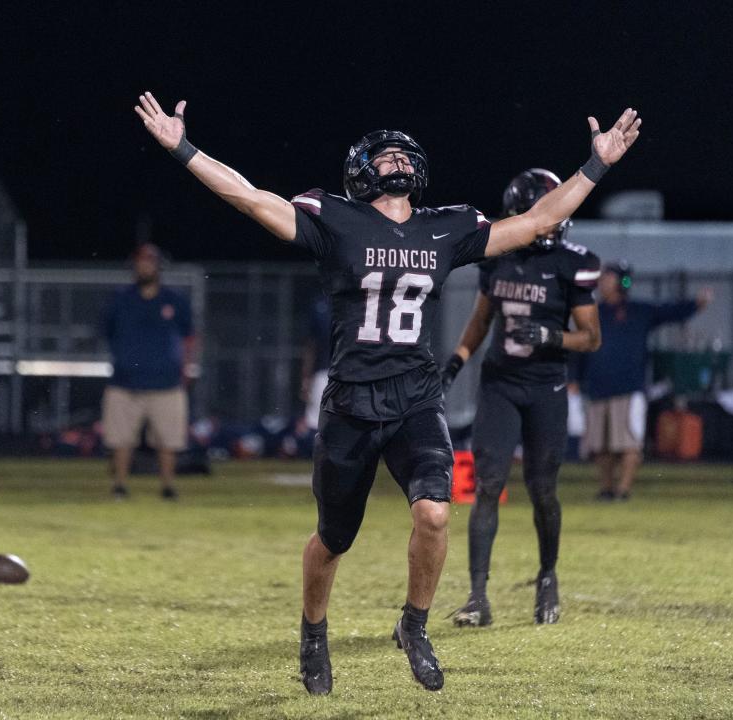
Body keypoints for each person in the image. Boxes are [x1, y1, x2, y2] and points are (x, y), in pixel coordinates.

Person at [134, 90, 640, 693]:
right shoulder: (334, 218)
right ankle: (313, 633)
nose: (398, 159)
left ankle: (415, 624)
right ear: (361, 171)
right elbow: (249, 198)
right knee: (332, 538)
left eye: (405, 153)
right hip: (350, 402)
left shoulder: (444, 227)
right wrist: (183, 148)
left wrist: (596, 165)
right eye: (387, 154)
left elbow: (535, 221)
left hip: (416, 399)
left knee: (433, 513)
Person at [442, 169, 602, 628]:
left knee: (543, 490)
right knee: (487, 486)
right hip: (500, 384)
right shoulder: (499, 259)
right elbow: (481, 321)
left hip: (546, 388)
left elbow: (590, 339)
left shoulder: (574, 263)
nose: (552, 220)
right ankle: (477, 596)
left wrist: (553, 336)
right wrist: (456, 361)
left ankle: (547, 576)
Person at [578, 261, 713, 500]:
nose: (603, 282)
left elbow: (672, 311)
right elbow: (581, 348)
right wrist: (577, 379)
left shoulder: (639, 311)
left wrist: (697, 303)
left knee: (629, 443)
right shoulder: (593, 312)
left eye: (608, 278)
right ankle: (606, 489)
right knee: (601, 445)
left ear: (621, 283)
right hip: (598, 388)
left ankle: (623, 490)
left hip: (629, 389)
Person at [101, 243, 197, 501]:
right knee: (121, 440)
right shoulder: (120, 299)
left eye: (150, 261)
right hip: (125, 382)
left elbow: (189, 338)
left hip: (166, 382)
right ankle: (119, 486)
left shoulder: (174, 301)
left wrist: (185, 369)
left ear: (158, 266)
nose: (145, 266)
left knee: (169, 440)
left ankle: (168, 487)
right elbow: (107, 333)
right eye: (141, 262)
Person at [300, 295, 331, 432]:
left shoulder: (356, 301)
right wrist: (306, 377)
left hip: (352, 372)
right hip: (323, 371)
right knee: (315, 423)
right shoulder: (320, 306)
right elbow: (311, 345)